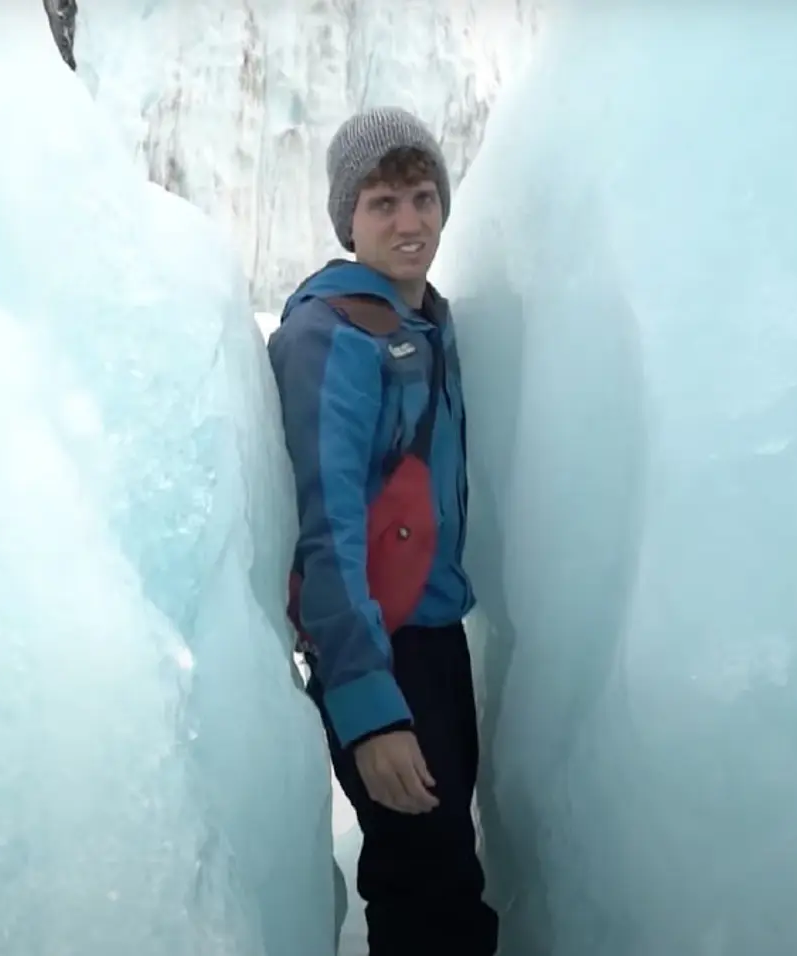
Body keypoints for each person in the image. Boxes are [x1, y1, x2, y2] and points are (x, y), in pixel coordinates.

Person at [266, 106, 499, 956]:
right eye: (383, 203)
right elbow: (326, 525)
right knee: (428, 889)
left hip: (433, 640)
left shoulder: (424, 323)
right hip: (377, 648)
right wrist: (369, 712)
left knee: (437, 873)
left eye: (425, 197)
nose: (411, 222)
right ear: (348, 220)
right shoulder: (330, 335)